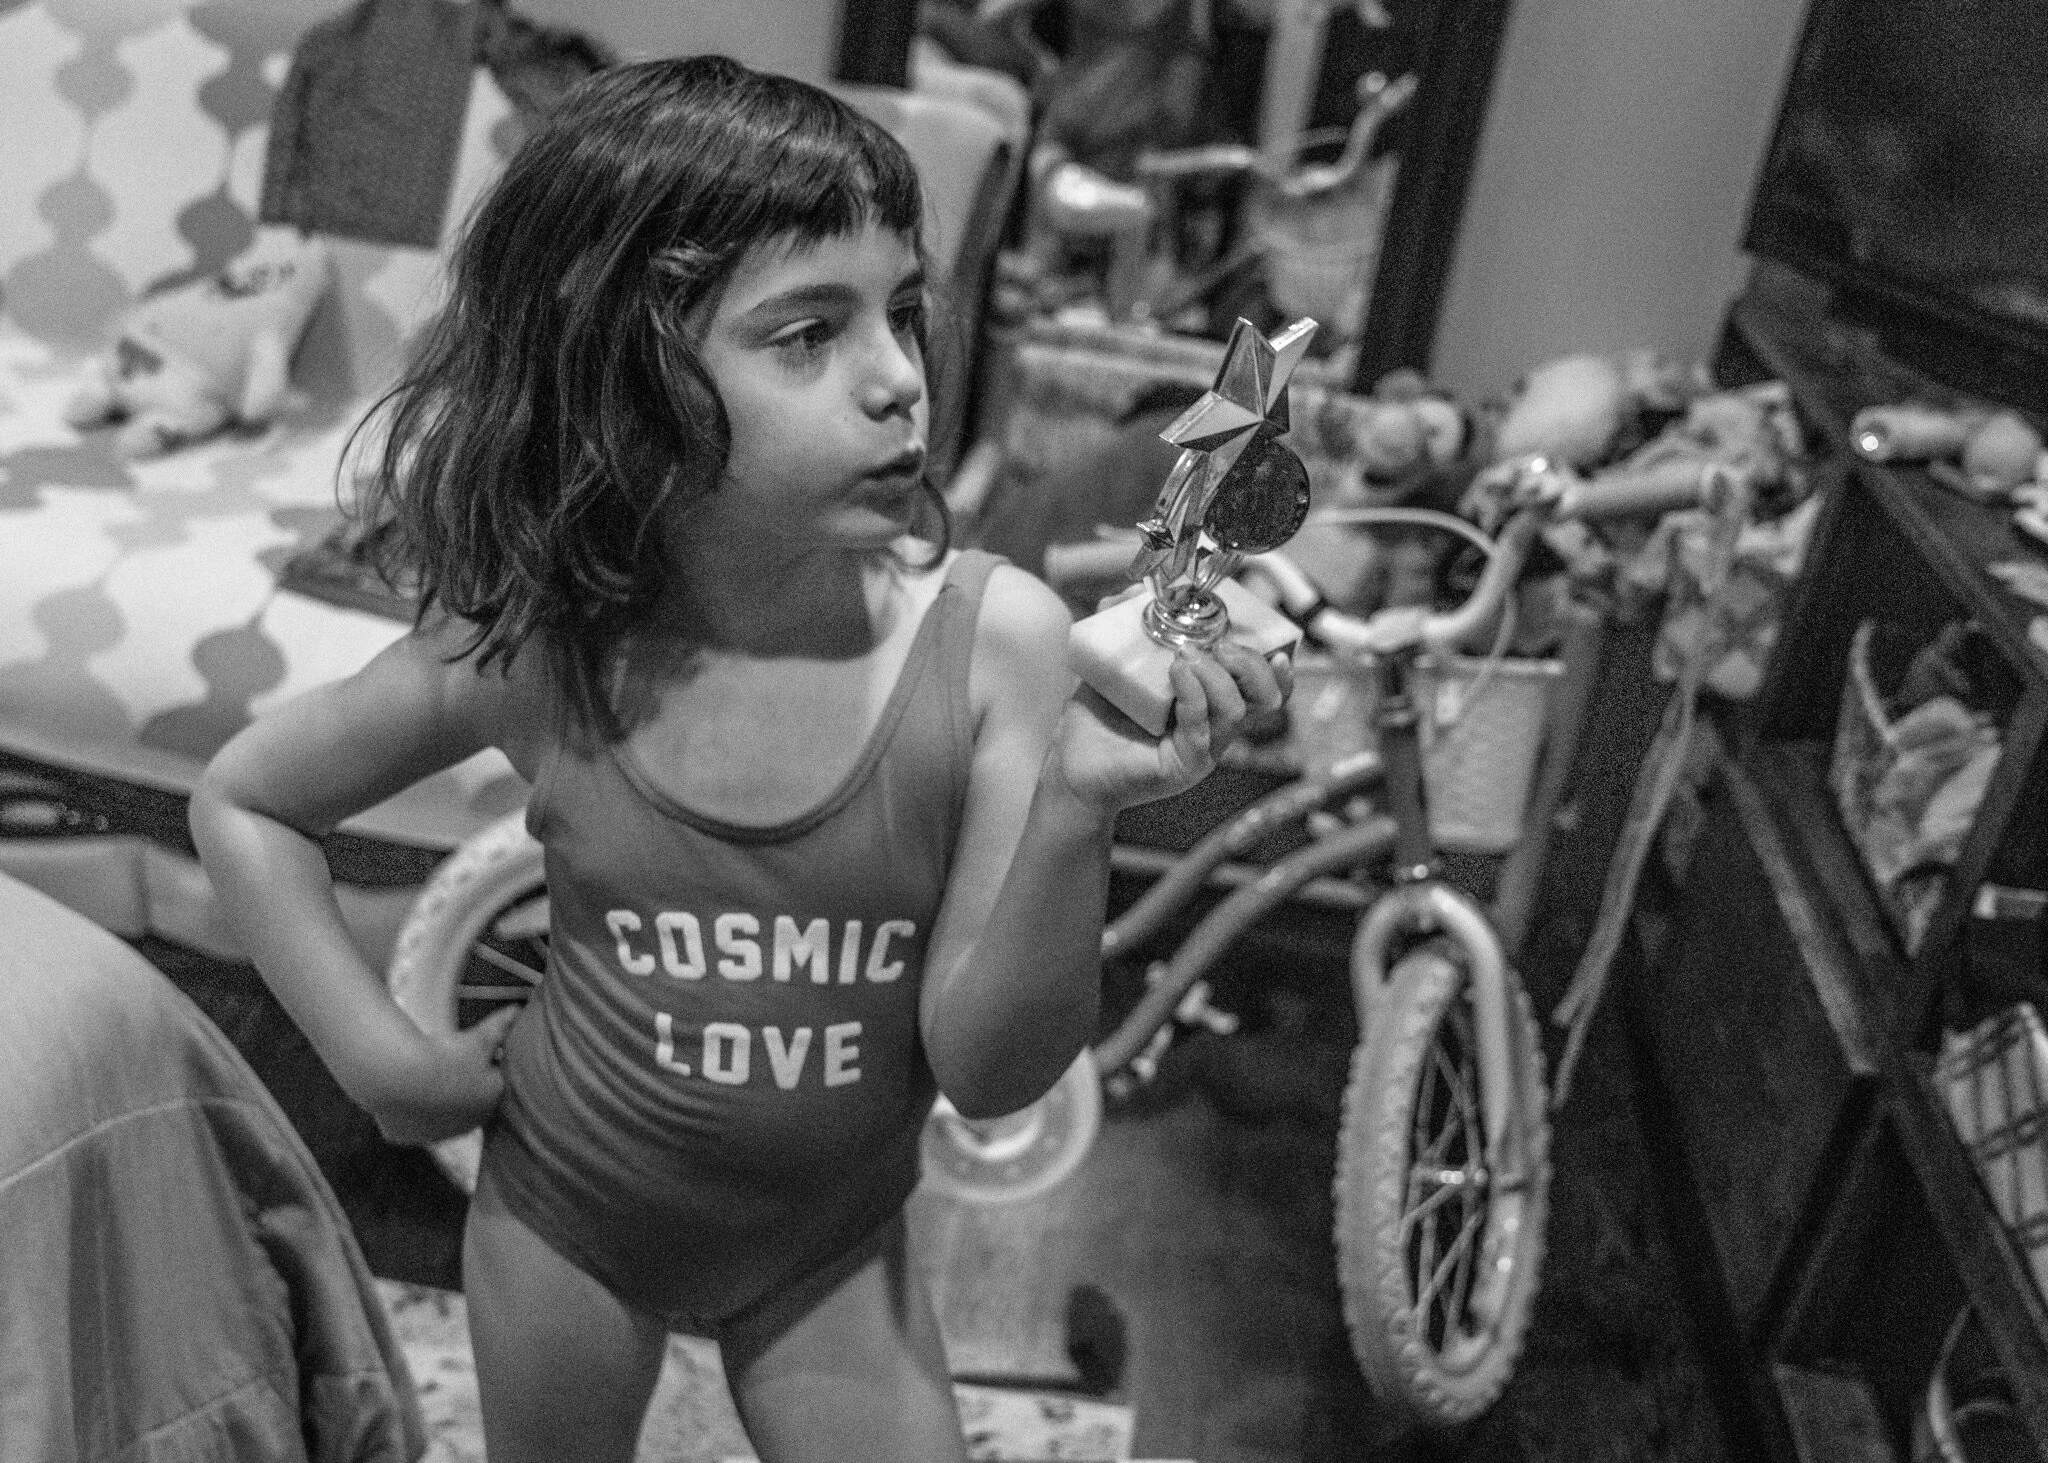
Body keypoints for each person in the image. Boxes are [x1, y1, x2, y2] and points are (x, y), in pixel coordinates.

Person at [190, 55, 1288, 1463]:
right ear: (627, 380)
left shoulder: (994, 644)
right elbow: (247, 799)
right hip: (563, 1222)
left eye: (901, 311)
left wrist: (1078, 808)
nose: (900, 379)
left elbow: (991, 1068)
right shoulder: (540, 640)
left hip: (829, 1249)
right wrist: (383, 1063)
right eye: (807, 334)